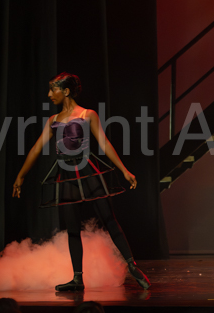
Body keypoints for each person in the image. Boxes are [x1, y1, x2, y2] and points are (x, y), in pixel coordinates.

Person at [12, 73, 150, 291]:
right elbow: (36, 148)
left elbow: (104, 143)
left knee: (109, 219)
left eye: (53, 89)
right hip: (66, 175)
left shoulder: (87, 115)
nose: (49, 94)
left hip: (87, 171)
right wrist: (20, 176)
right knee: (72, 228)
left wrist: (124, 170)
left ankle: (132, 266)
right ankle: (77, 278)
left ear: (66, 91)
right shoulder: (53, 120)